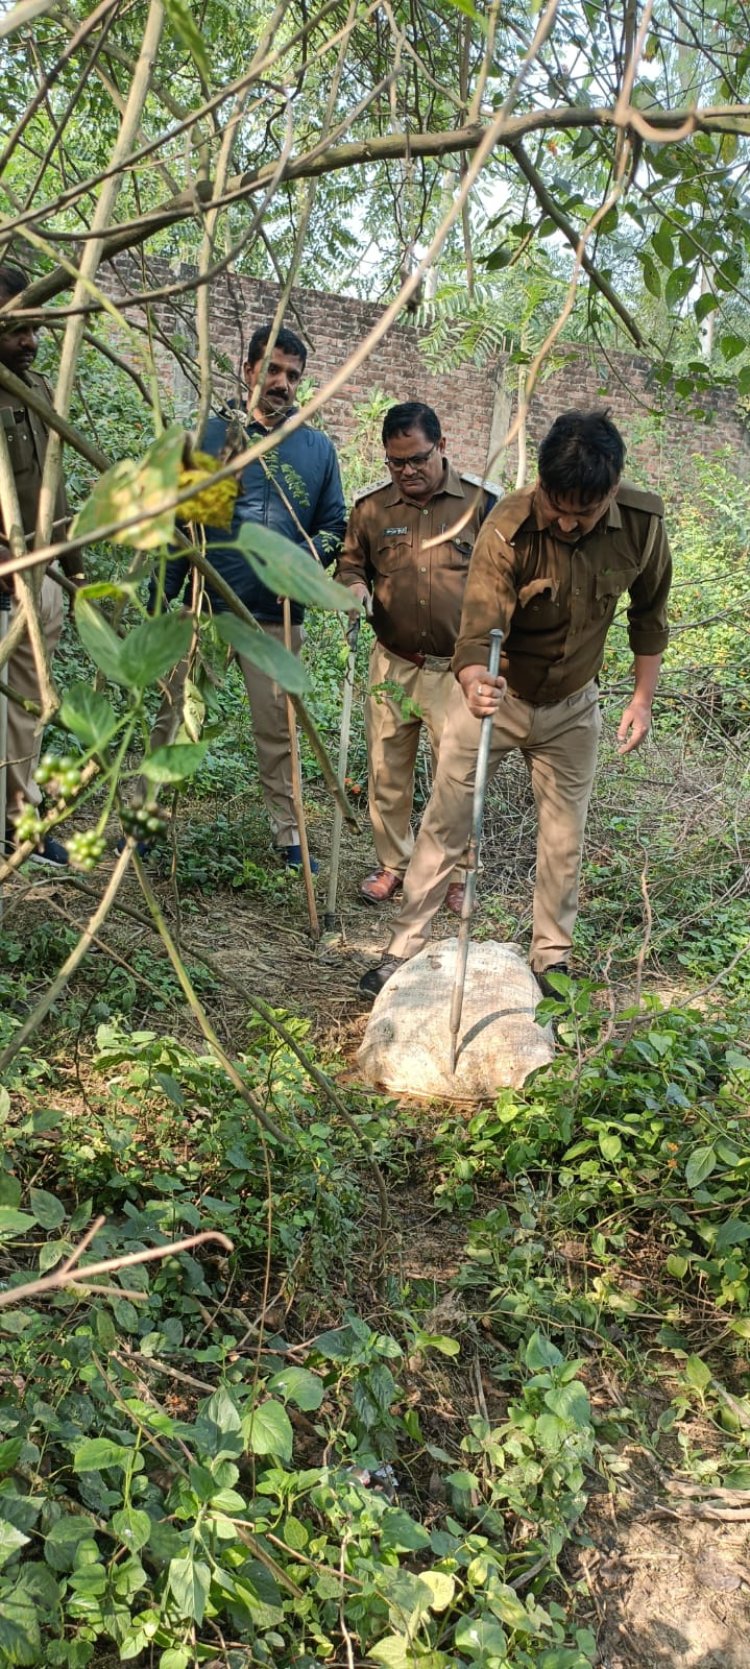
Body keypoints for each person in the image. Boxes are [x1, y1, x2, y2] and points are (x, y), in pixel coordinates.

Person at [359, 407, 672, 999]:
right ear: (544, 487)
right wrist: (476, 678)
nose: (570, 524)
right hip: (495, 700)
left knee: (563, 836)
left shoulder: (641, 522)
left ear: (612, 491)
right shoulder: (507, 522)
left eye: (586, 512)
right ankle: (405, 949)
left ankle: (552, 960)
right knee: (446, 821)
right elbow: (478, 627)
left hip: (574, 706)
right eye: (558, 508)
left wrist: (642, 697)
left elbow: (650, 613)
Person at [154, 323, 346, 868]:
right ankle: (145, 820)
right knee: (175, 715)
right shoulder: (213, 437)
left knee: (279, 727)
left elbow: (334, 525)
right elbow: (181, 521)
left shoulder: (314, 448)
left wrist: (302, 567)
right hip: (204, 608)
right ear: (247, 369)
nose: (282, 383)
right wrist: (163, 595)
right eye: (273, 370)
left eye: (292, 375)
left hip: (276, 617)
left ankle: (289, 837)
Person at [336, 400, 497, 910]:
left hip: (458, 669)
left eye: (417, 460)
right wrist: (355, 589)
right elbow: (350, 565)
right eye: (395, 462)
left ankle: (456, 874)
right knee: (387, 769)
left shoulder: (482, 505)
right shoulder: (372, 510)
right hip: (393, 663)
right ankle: (394, 865)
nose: (406, 472)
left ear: (442, 447)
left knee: (457, 775)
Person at [0, 262, 83, 865]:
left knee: (27, 706)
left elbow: (57, 489)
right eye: (17, 329)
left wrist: (73, 571)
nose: (31, 341)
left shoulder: (37, 394)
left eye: (36, 329)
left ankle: (19, 822)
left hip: (42, 573)